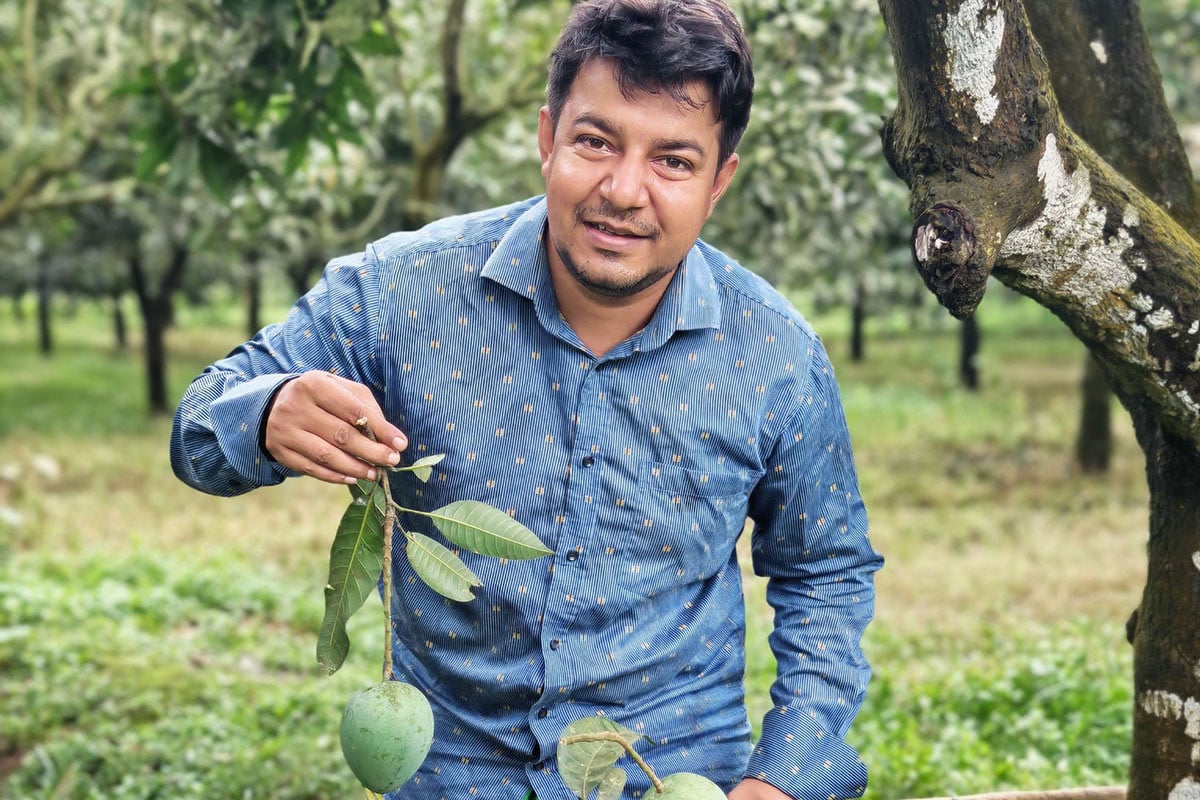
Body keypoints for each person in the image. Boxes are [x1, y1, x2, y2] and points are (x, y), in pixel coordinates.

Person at [170, 1, 883, 798]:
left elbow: (827, 571)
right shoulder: (397, 293)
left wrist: (786, 776)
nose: (623, 189)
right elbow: (200, 423)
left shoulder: (777, 358)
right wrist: (265, 414)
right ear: (547, 139)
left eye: (673, 162)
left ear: (719, 183)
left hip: (671, 771)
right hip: (452, 772)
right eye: (595, 141)